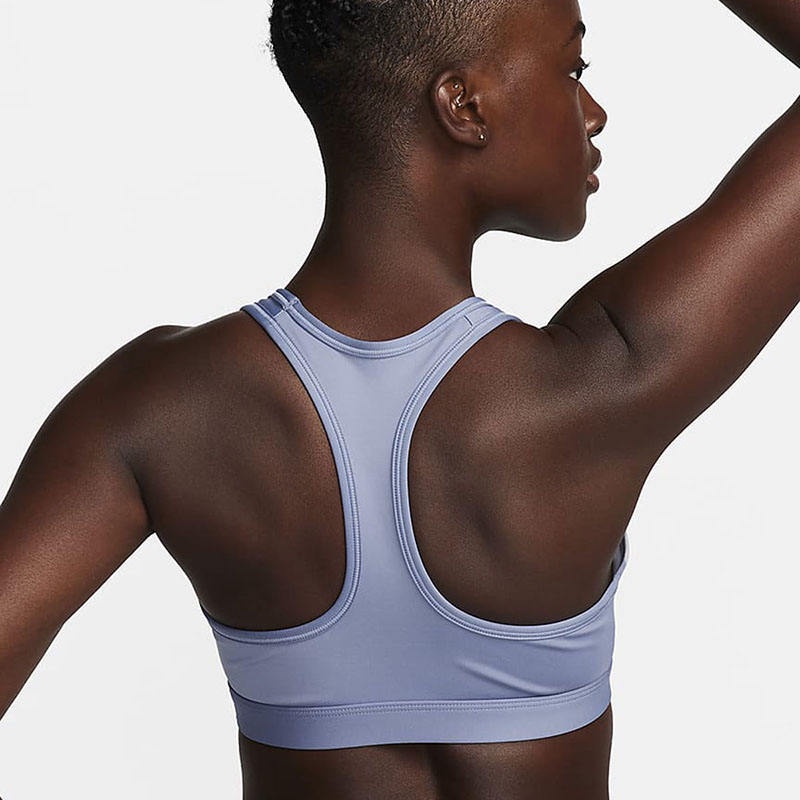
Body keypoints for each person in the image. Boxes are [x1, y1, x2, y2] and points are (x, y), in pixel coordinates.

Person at [1, 0, 798, 797]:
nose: (593, 111)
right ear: (464, 107)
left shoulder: (155, 413)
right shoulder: (600, 383)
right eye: (572, 69)